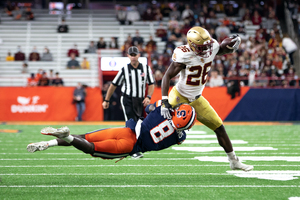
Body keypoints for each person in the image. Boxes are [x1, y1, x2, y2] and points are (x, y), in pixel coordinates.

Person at [160, 26, 253, 172]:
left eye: (207, 46)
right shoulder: (183, 54)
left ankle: (234, 161)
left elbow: (221, 49)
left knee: (219, 127)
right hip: (179, 96)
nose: (205, 50)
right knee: (158, 119)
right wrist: (165, 101)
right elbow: (167, 76)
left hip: (196, 99)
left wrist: (231, 45)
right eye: (201, 47)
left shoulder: (211, 46)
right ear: (191, 44)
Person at [27, 103, 196, 161]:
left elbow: (148, 107)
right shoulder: (180, 138)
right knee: (90, 148)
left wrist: (166, 106)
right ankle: (62, 138)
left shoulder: (163, 110)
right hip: (131, 146)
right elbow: (181, 132)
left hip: (127, 131)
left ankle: (49, 142)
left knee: (85, 137)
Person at [102, 46, 155, 159]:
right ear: (128, 56)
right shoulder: (124, 69)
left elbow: (151, 84)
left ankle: (131, 146)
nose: (133, 57)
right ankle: (132, 150)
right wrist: (107, 99)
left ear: (138, 55)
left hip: (140, 100)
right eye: (131, 55)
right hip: (127, 99)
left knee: (139, 124)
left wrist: (149, 97)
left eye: (135, 54)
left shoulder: (145, 68)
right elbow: (113, 85)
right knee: (131, 123)